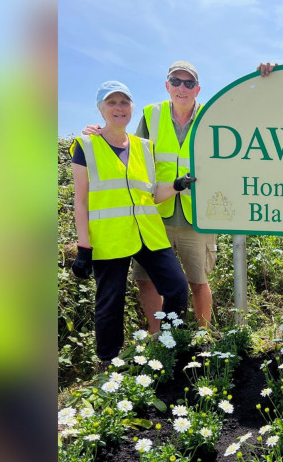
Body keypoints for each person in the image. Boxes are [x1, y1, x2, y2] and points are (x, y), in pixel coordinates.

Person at [71, 81, 193, 368]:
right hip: (110, 237)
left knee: (177, 288)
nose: (118, 108)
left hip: (148, 233)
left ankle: (170, 346)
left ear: (131, 108)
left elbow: (150, 193)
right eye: (111, 103)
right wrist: (83, 246)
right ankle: (108, 362)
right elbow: (81, 201)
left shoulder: (144, 146)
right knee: (110, 302)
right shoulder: (86, 146)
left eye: (124, 103)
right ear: (101, 109)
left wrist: (176, 185)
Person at [86, 61, 215, 330]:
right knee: (146, 281)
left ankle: (204, 339)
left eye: (189, 83)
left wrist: (267, 77)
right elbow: (129, 147)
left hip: (199, 216)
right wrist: (101, 133)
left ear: (197, 89)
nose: (182, 88)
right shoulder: (150, 114)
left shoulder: (211, 116)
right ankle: (159, 339)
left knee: (198, 282)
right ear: (167, 86)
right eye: (176, 82)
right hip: (154, 216)